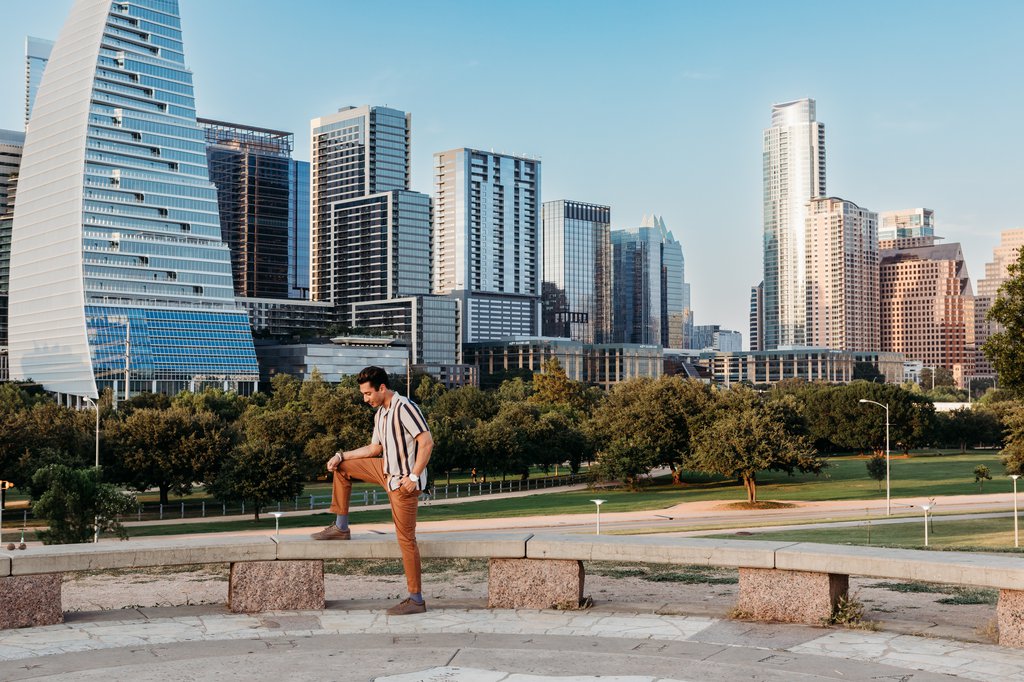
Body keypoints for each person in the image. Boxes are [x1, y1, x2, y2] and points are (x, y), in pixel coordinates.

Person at [311, 366, 433, 616]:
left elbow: (427, 442)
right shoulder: (381, 415)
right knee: (342, 467)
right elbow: (374, 449)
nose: (365, 399)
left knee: (406, 539)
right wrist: (340, 454)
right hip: (385, 470)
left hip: (404, 485)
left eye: (367, 394)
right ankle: (341, 527)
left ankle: (416, 599)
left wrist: (413, 476)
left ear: (382, 388)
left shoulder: (405, 407)